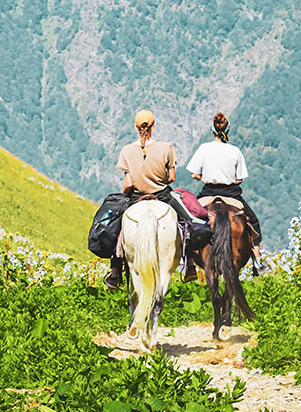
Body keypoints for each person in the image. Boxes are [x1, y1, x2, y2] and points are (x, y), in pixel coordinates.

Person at [105, 109, 193, 290]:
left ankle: (115, 272)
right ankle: (190, 265)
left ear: (136, 127)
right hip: (162, 196)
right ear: (153, 125)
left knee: (115, 228)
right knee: (188, 223)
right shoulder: (166, 147)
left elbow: (128, 184)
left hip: (136, 197)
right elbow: (171, 178)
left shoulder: (127, 150)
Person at [186, 112, 267, 274]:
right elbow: (239, 179)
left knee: (187, 223)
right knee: (254, 223)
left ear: (212, 131)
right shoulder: (235, 151)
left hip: (208, 193)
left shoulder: (203, 149)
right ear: (228, 132)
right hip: (231, 195)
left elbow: (194, 174)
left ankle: (188, 263)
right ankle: (257, 262)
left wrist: (205, 177)